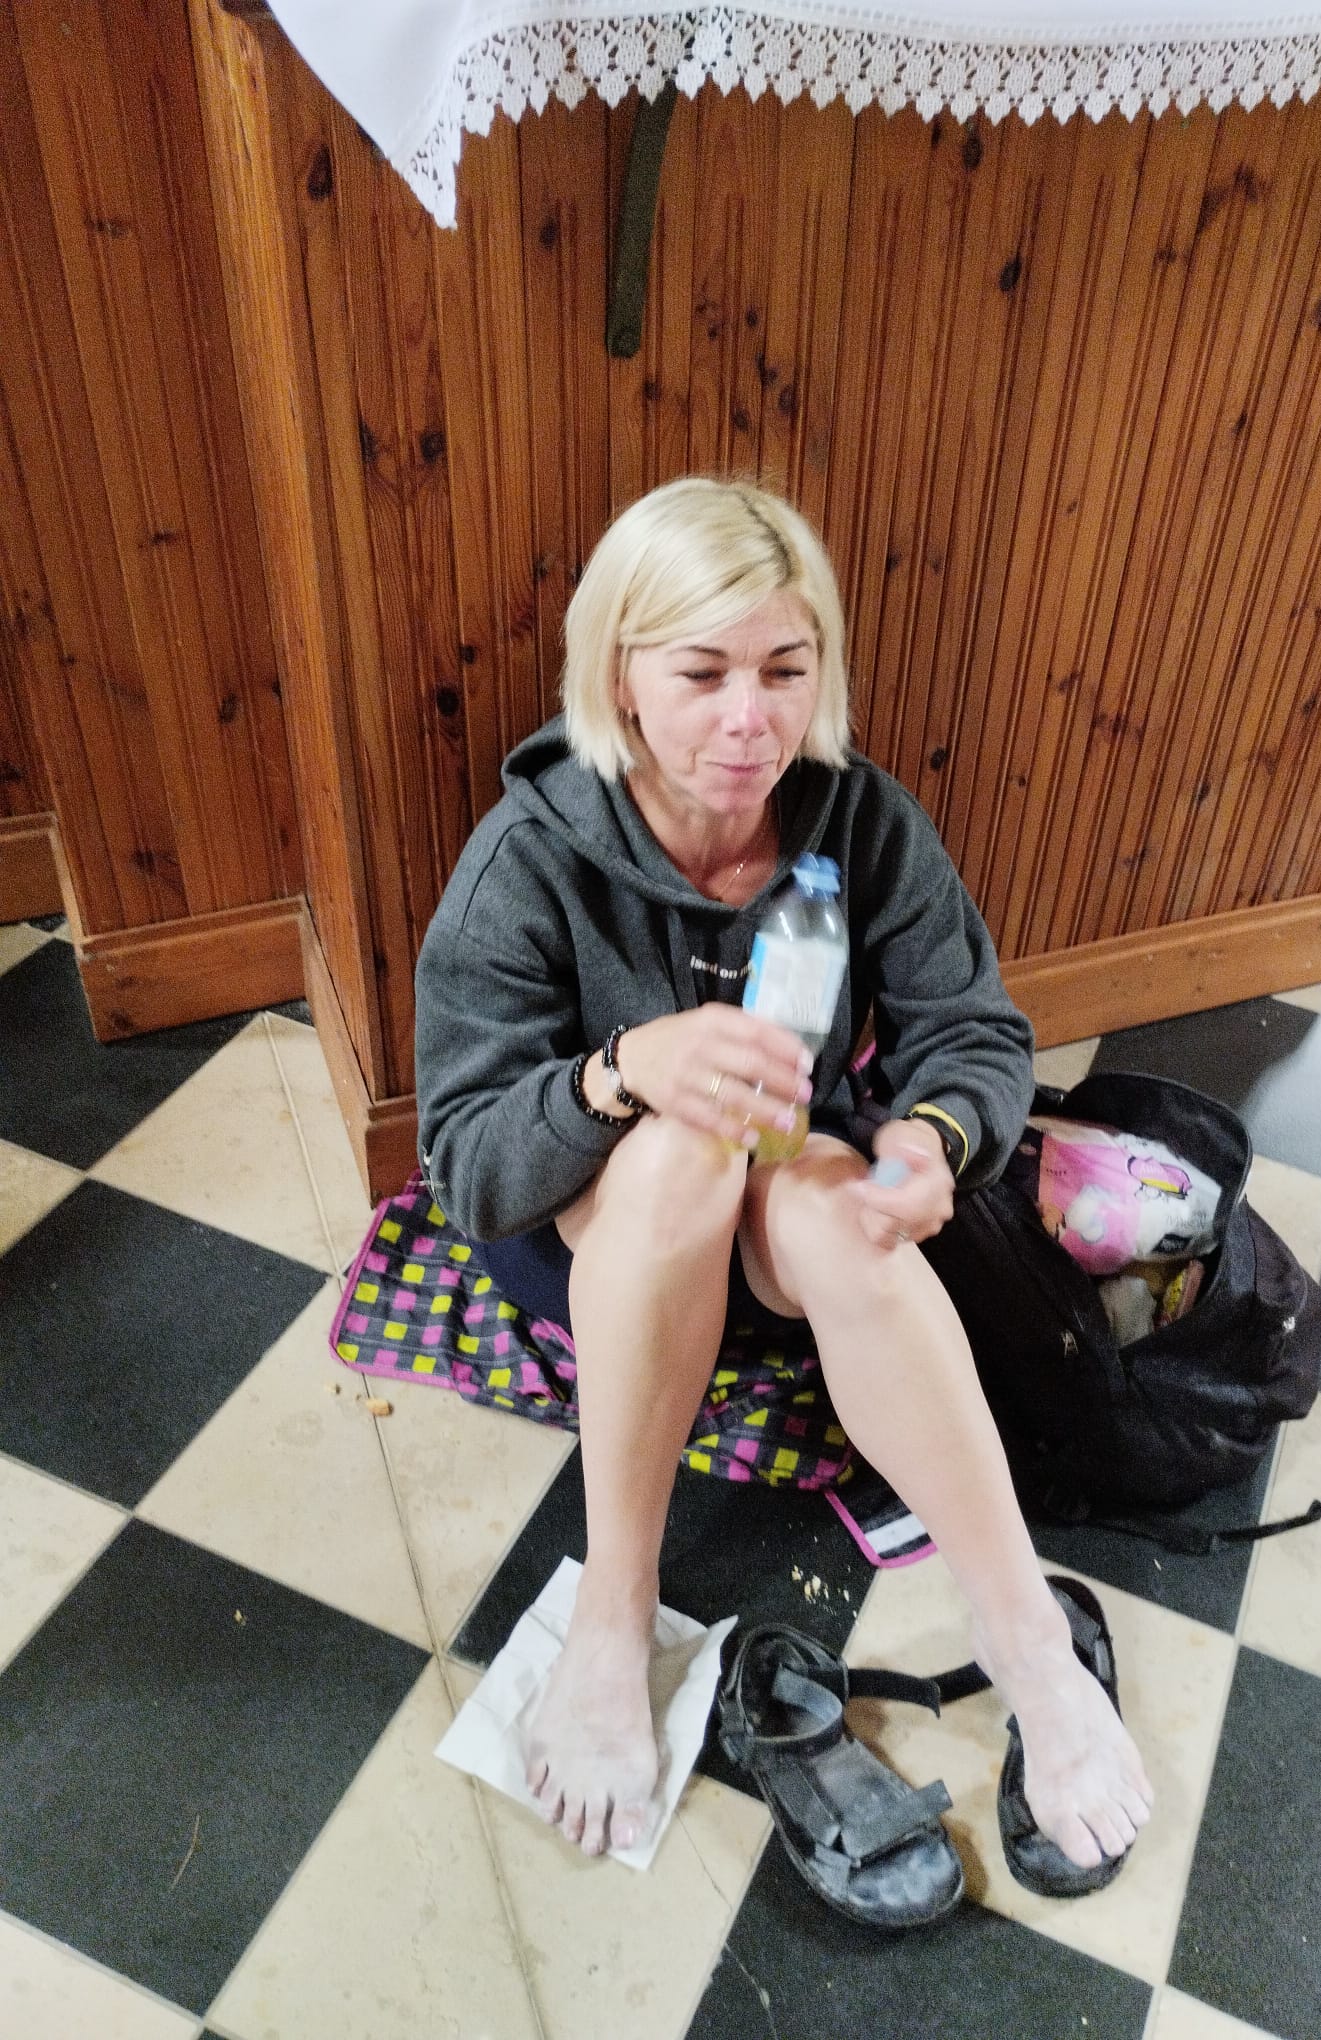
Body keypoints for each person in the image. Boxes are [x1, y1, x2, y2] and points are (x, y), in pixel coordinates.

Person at [413, 476, 1153, 1870]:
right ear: (620, 678)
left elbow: (974, 1032)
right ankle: (614, 1610)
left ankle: (1029, 1643)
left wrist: (935, 1140)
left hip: (784, 1223)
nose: (749, 720)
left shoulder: (860, 820)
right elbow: (467, 1168)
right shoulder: (528, 860)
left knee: (833, 1217)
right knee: (679, 1157)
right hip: (590, 1236)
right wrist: (621, 1072)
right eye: (701, 674)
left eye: (785, 670)